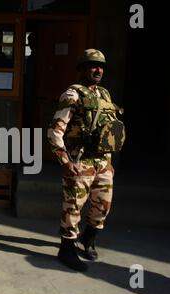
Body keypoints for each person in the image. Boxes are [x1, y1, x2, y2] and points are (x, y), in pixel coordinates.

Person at [47, 49, 125, 272]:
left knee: (103, 207)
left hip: (102, 162)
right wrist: (65, 161)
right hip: (80, 161)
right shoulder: (72, 95)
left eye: (100, 66)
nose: (97, 70)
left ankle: (88, 239)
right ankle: (67, 249)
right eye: (92, 65)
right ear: (82, 69)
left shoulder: (104, 94)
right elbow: (54, 132)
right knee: (72, 208)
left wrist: (109, 162)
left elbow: (108, 131)